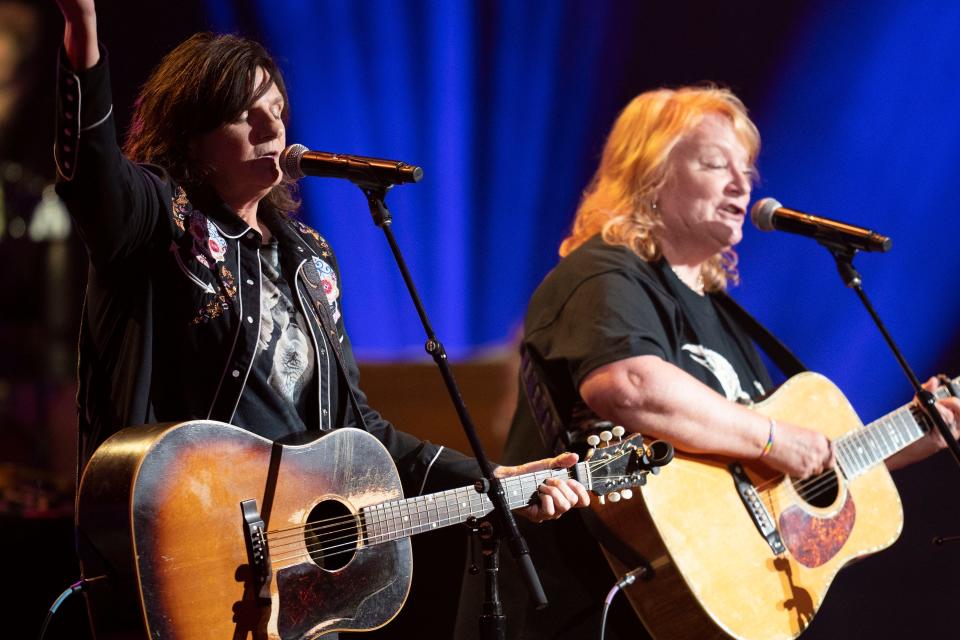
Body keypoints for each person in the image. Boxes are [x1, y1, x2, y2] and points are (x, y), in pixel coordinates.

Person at [54, 0, 589, 636]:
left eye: (276, 110)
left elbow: (359, 431)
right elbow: (92, 175)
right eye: (242, 113)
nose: (269, 126)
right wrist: (83, 32)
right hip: (186, 557)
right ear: (190, 136)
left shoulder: (309, 258)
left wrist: (497, 480)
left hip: (293, 580)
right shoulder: (158, 221)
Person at [455, 86, 960, 639]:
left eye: (747, 170)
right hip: (587, 609)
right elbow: (630, 385)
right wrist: (774, 438)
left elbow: (777, 482)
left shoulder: (726, 321)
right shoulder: (603, 273)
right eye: (716, 163)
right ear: (651, 177)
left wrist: (912, 434)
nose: (743, 184)